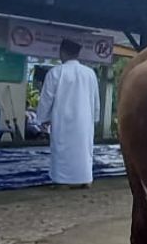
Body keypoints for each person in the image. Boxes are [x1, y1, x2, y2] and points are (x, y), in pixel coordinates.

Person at [35, 39, 100, 187]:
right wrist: (94, 118)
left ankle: (62, 181)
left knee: (62, 150)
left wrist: (43, 119)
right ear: (78, 53)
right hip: (84, 121)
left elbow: (47, 98)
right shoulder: (90, 73)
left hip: (62, 120)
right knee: (83, 150)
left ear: (62, 52)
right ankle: (85, 180)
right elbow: (96, 99)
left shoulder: (56, 72)